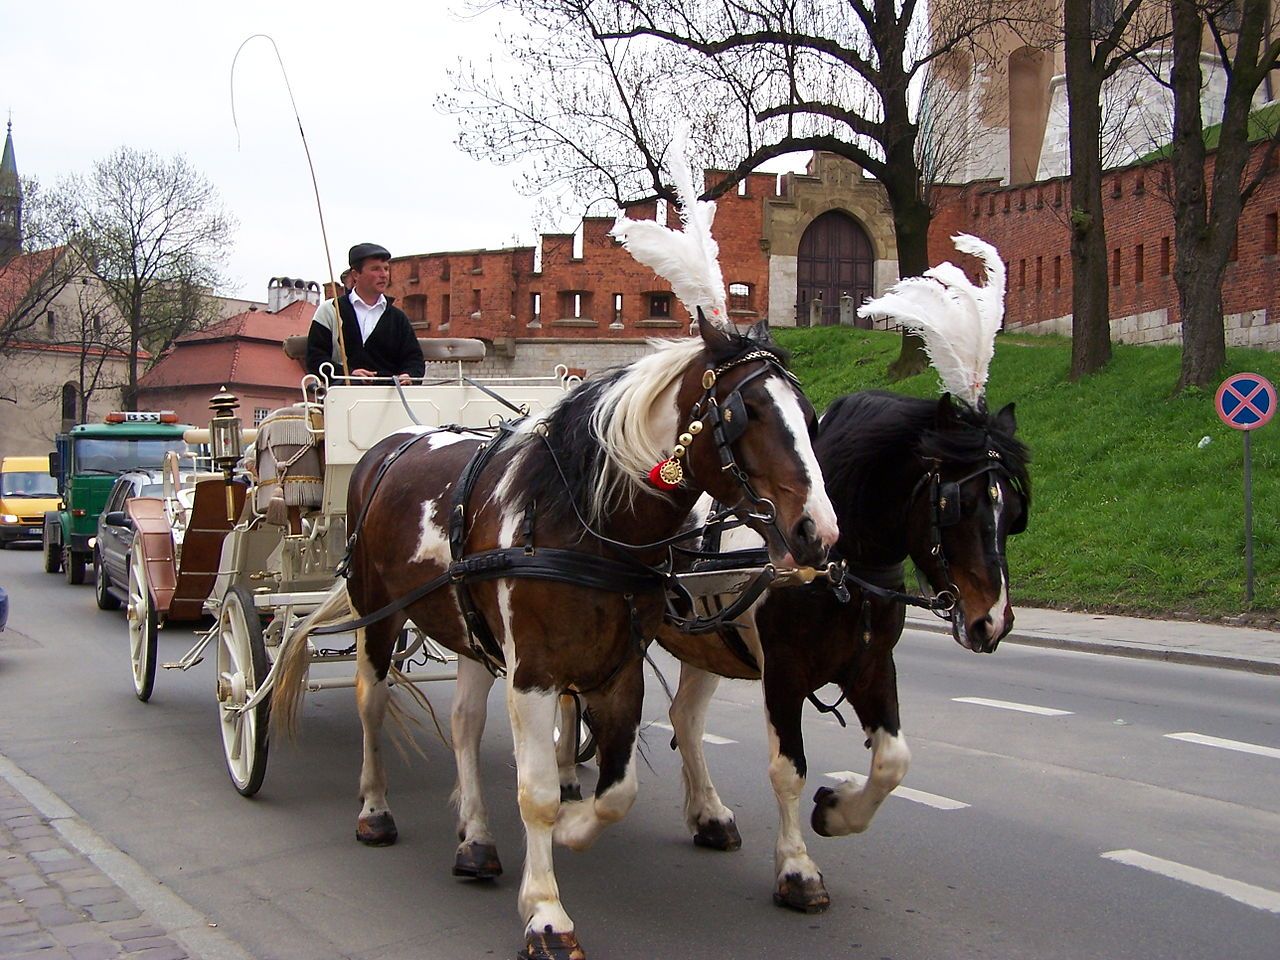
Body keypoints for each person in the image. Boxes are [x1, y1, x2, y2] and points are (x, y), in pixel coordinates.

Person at [306, 243, 425, 384]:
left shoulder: (398, 318)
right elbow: (315, 358)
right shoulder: (331, 310)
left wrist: (408, 375)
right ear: (356, 274)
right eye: (375, 269)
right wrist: (348, 374)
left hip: (389, 396)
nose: (384, 275)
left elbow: (414, 359)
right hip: (342, 394)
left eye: (386, 269)